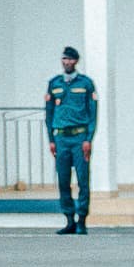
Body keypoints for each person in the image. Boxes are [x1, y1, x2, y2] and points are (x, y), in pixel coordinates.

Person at [45, 46, 99, 234]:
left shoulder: (85, 83)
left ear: (76, 61)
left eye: (70, 59)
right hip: (61, 138)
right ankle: (69, 219)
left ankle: (82, 219)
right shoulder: (54, 83)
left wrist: (88, 138)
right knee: (63, 179)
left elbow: (93, 113)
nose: (66, 62)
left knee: (83, 179)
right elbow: (49, 113)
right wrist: (51, 139)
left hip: (79, 137)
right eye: (64, 59)